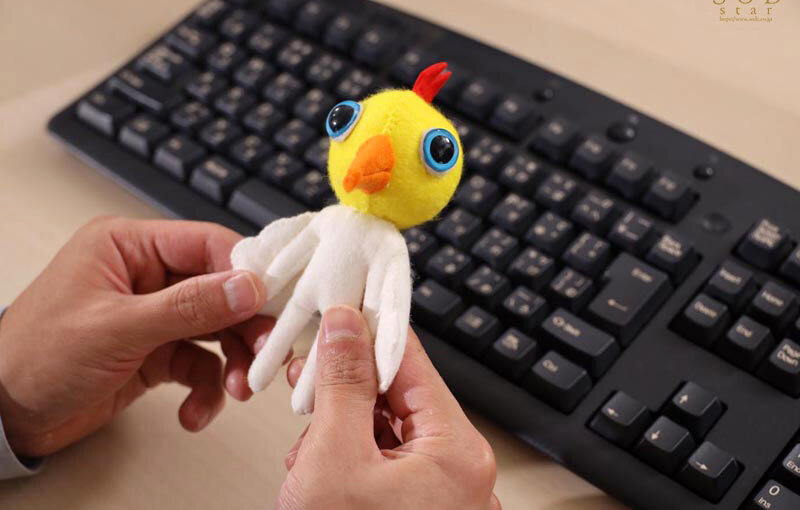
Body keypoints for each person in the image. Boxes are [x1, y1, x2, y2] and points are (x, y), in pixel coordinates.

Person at [0, 217, 501, 509]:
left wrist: (13, 415)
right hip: (302, 301)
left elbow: (390, 304)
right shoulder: (335, 221)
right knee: (289, 330)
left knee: (308, 347)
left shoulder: (384, 243)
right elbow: (291, 244)